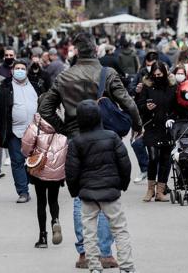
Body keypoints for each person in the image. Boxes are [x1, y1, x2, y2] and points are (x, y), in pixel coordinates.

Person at [38, 32, 142, 269]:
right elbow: (128, 103)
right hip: (107, 138)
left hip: (77, 138)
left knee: (80, 196)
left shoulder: (64, 77)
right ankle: (105, 253)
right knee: (106, 192)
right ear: (96, 51)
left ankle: (85, 252)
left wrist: (64, 128)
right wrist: (137, 126)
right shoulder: (108, 74)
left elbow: (45, 108)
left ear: (74, 51)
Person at [66, 100, 136, 273]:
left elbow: (71, 171)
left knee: (89, 234)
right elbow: (125, 164)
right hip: (111, 192)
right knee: (120, 230)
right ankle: (127, 267)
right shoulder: (112, 136)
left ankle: (95, 267)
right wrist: (122, 185)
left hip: (88, 194)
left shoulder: (76, 142)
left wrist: (75, 191)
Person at [0, 60, 37, 203]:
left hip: (34, 132)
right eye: (17, 68)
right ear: (12, 71)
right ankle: (23, 192)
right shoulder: (4, 88)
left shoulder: (35, 86)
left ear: (26, 71)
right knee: (17, 161)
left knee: (33, 162)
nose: (20, 71)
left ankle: (27, 181)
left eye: (23, 68)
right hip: (14, 132)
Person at [21, 113, 68, 249]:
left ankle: (42, 237)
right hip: (57, 169)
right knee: (54, 200)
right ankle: (55, 220)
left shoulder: (35, 126)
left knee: (41, 202)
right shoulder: (61, 123)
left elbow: (26, 148)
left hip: (40, 169)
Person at [135, 61, 176, 202]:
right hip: (151, 126)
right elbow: (139, 105)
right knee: (153, 158)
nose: (157, 77)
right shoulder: (147, 87)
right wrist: (146, 107)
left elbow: (176, 106)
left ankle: (160, 191)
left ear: (164, 73)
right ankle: (150, 189)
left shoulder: (172, 87)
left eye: (160, 74)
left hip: (166, 126)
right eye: (155, 74)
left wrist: (172, 118)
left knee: (165, 159)